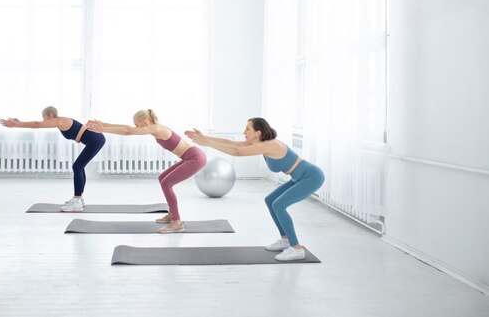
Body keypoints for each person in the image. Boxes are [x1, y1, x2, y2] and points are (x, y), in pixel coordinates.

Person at [185, 117, 325, 261]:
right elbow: (232, 144)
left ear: (258, 133)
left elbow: (236, 152)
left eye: (248, 129)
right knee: (270, 200)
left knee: (279, 205)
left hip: (311, 177)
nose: (244, 131)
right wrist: (205, 138)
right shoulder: (261, 144)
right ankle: (285, 240)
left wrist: (207, 143)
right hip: (299, 177)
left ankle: (296, 248)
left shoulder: (271, 145)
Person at [86, 109, 207, 233]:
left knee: (167, 183)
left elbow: (128, 131)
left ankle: (176, 222)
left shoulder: (157, 128)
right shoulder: (154, 128)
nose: (136, 128)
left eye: (137, 125)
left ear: (144, 123)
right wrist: (103, 124)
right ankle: (172, 214)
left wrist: (103, 129)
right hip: (190, 156)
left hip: (195, 158)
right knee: (162, 178)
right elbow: (127, 127)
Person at [0, 106, 106, 212]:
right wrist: (19, 122)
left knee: (77, 166)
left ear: (50, 116)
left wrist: (16, 125)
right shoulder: (61, 121)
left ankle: (77, 201)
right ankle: (79, 199)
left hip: (95, 140)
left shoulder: (59, 121)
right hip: (95, 139)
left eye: (44, 117)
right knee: (79, 166)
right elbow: (37, 124)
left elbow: (36, 125)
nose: (43, 121)